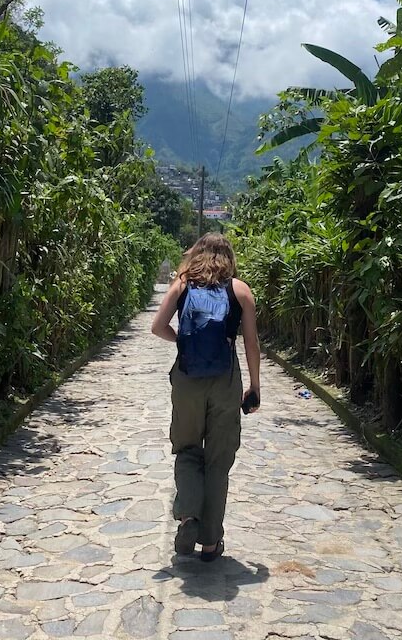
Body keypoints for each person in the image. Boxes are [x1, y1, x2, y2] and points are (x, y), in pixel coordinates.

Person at [151, 233, 261, 562]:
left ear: (197, 254)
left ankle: (189, 517)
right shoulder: (240, 290)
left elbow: (157, 327)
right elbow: (252, 344)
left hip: (187, 378)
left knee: (186, 449)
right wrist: (254, 387)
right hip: (225, 381)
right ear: (229, 257)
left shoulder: (182, 285)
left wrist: (182, 342)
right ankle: (211, 543)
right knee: (218, 460)